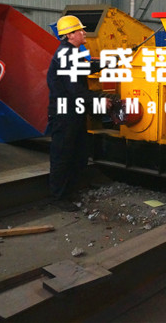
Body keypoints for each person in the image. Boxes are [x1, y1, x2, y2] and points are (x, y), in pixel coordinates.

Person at [46, 15, 110, 211]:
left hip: (75, 112)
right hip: (64, 114)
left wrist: (108, 62)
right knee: (63, 154)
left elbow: (85, 68)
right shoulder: (66, 55)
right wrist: (99, 100)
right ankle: (59, 197)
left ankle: (71, 190)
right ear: (70, 35)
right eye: (80, 30)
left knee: (78, 153)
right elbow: (75, 90)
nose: (84, 33)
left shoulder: (72, 53)